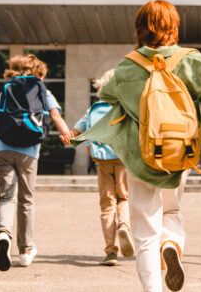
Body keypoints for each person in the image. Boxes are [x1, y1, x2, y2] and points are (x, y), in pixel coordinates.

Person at [71, 0, 201, 292]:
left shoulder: (127, 65)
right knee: (171, 211)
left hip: (140, 155)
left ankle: (153, 288)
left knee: (144, 231)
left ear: (139, 28)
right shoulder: (190, 59)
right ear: (174, 26)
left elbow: (106, 95)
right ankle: (171, 243)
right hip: (181, 150)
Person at [0, 54, 72, 271]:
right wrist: (67, 135)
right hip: (29, 151)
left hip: (3, 149)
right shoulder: (44, 91)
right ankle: (25, 251)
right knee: (26, 200)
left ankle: (3, 235)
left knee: (6, 197)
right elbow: (55, 116)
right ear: (39, 74)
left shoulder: (6, 89)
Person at [62, 69, 135, 267]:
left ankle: (111, 251)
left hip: (102, 162)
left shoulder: (94, 109)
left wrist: (68, 136)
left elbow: (76, 131)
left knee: (107, 204)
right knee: (124, 198)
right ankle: (124, 225)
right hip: (122, 160)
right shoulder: (126, 107)